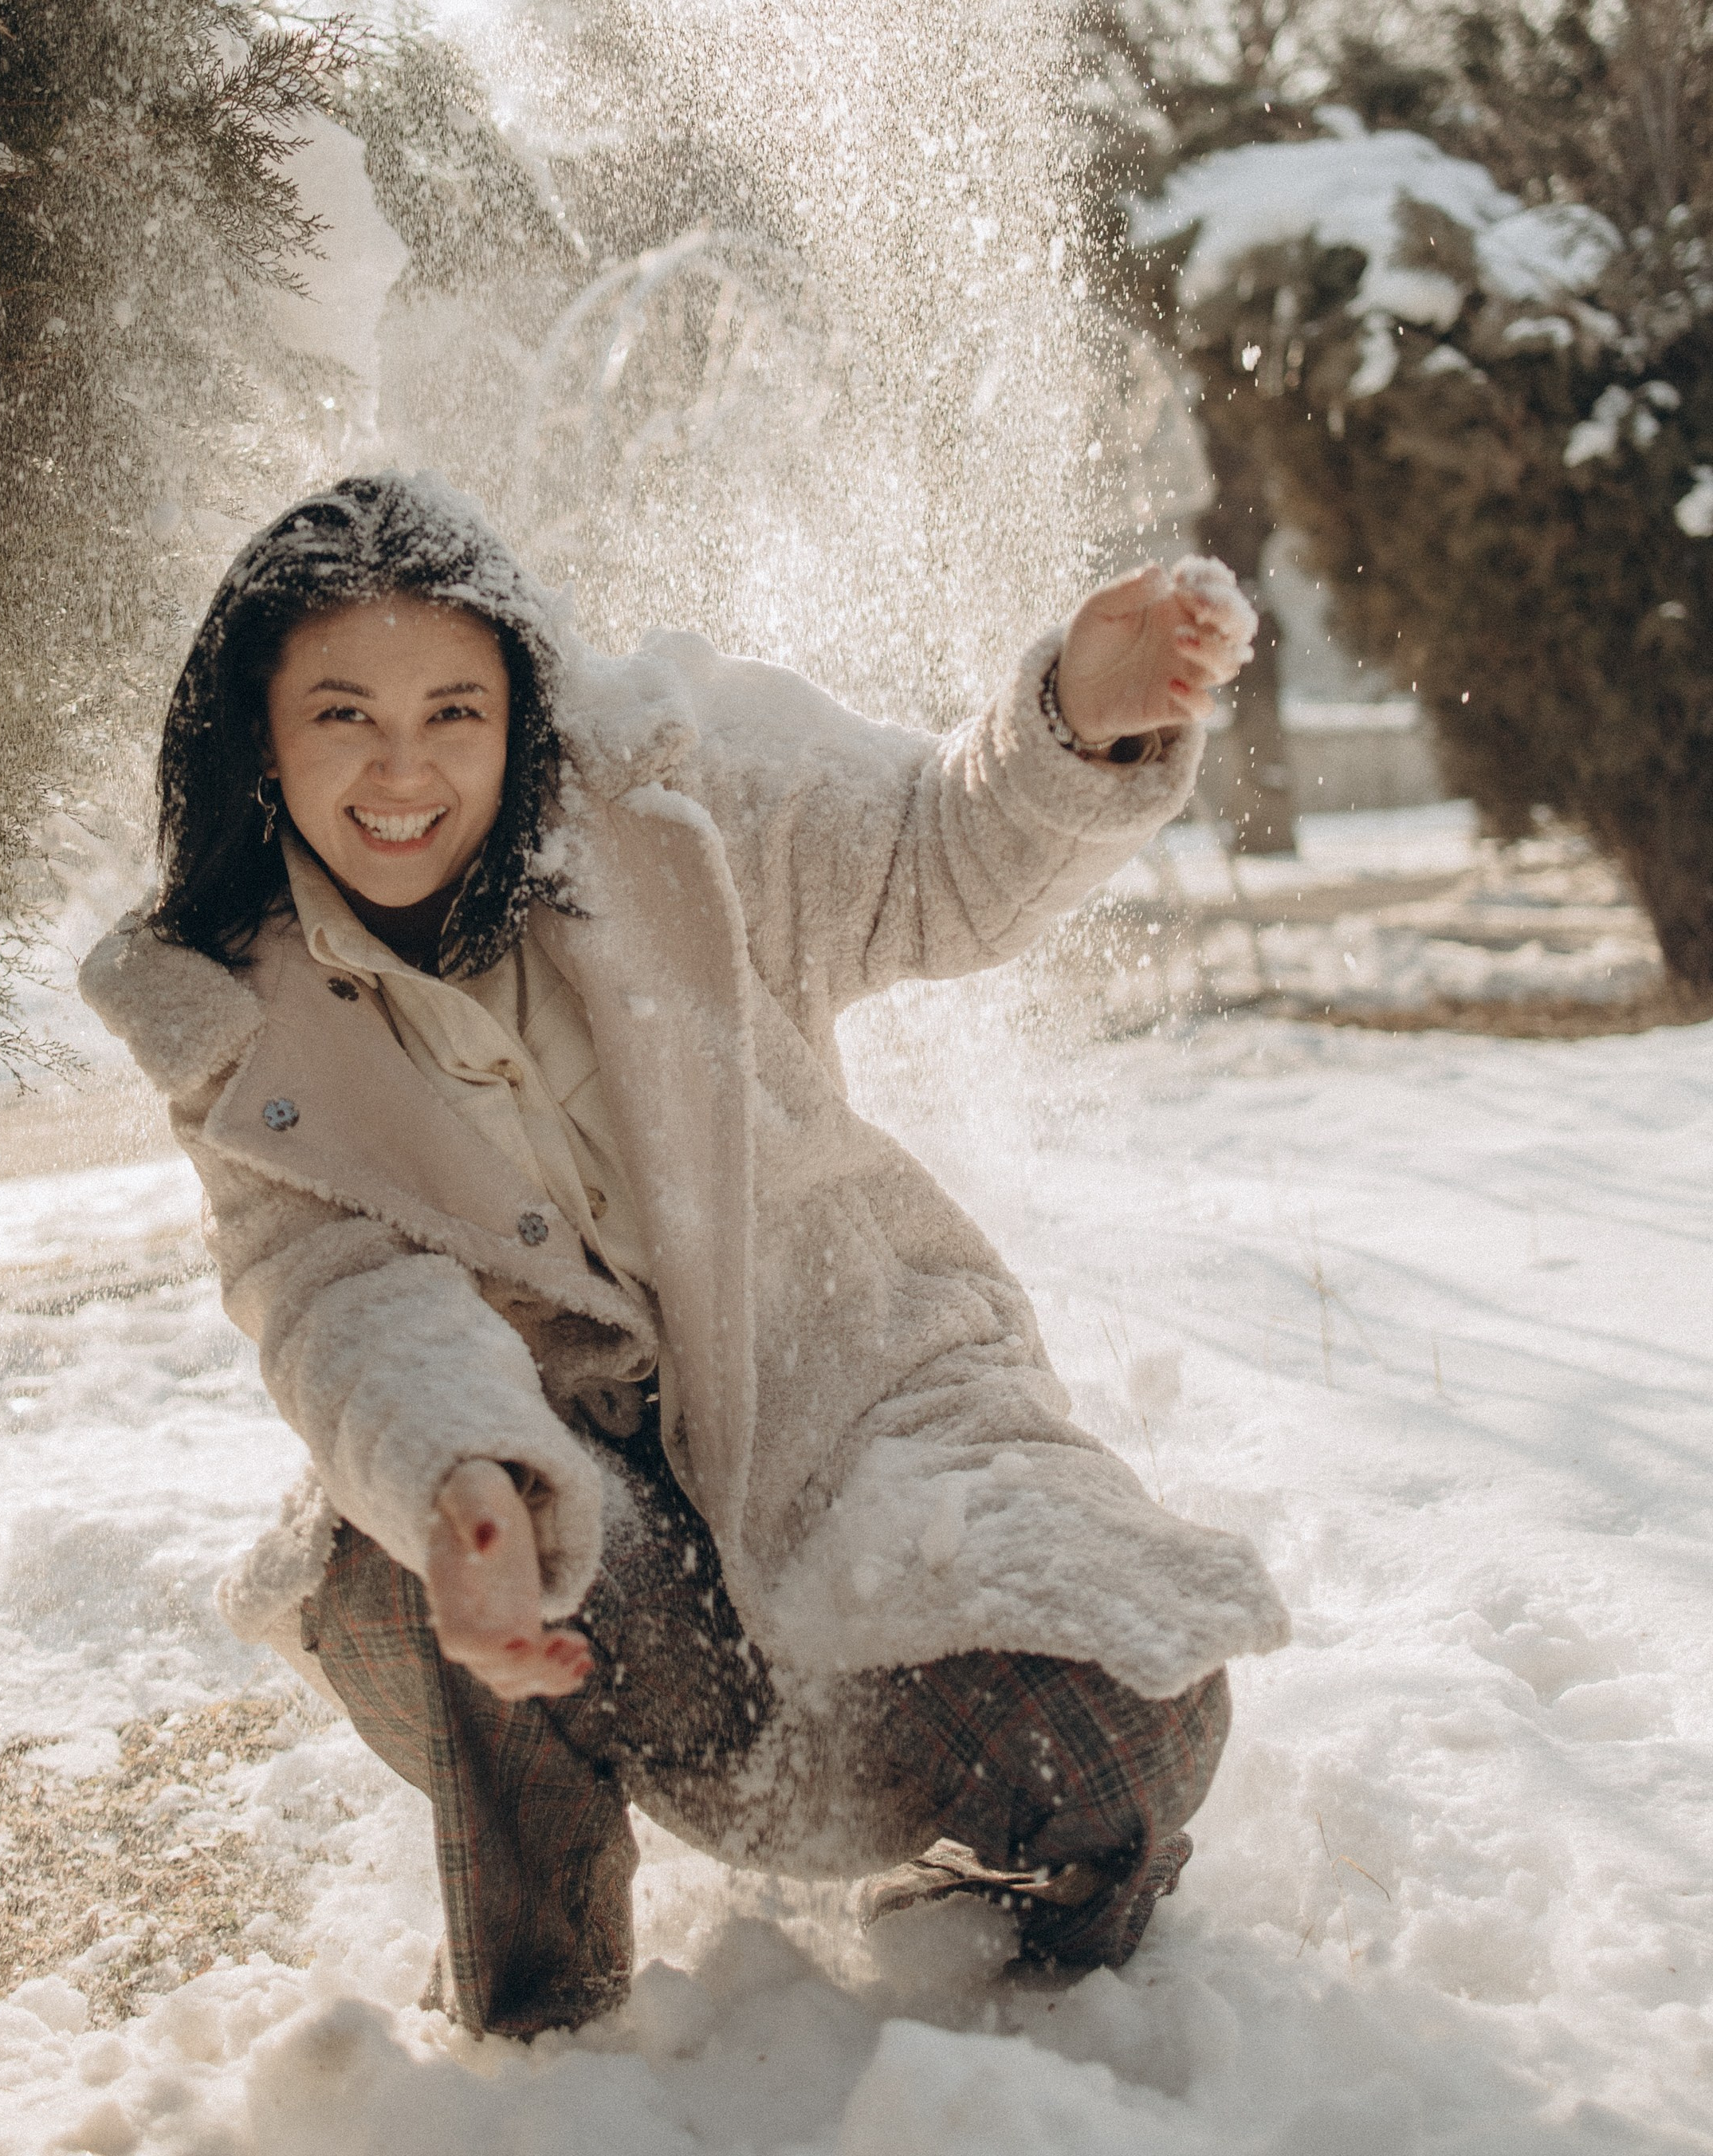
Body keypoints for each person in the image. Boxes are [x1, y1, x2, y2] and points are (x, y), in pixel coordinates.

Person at [83, 470, 1288, 2040]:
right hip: (595, 1556)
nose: (401, 768)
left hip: (858, 1407)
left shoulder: (676, 792)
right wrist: (470, 1482)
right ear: (258, 731)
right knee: (398, 1555)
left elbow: (937, 850)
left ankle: (1012, 1988)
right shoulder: (234, 1017)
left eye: (454, 710)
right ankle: (553, 2031)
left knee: (1135, 1717)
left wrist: (1075, 720)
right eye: (340, 717)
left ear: (521, 709)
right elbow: (338, 1300)